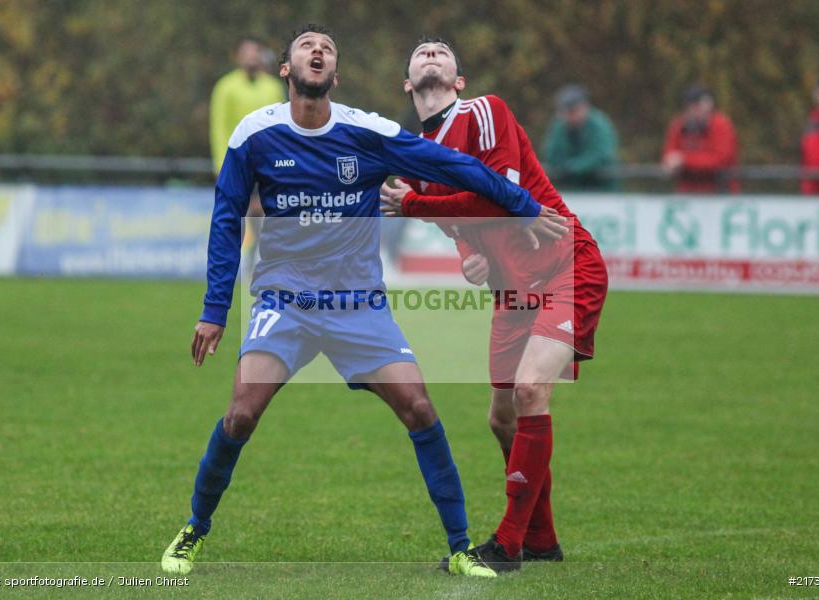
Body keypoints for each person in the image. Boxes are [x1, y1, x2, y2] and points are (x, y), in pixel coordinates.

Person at [161, 24, 568, 578]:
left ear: (335, 73)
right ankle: (194, 529)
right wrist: (214, 311)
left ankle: (460, 546)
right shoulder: (253, 135)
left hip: (358, 304)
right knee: (240, 414)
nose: (318, 50)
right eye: (307, 45)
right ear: (288, 69)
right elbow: (226, 219)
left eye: (327, 47)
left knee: (421, 408)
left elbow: (455, 167)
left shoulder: (366, 132)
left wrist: (519, 203)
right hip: (285, 301)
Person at [380, 37, 608, 572]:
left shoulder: (486, 110)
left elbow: (497, 195)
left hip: (565, 265)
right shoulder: (415, 161)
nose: (431, 51)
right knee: (502, 419)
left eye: (442, 50)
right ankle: (543, 540)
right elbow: (461, 225)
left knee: (531, 390)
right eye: (421, 52)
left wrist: (412, 205)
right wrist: (469, 255)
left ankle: (507, 544)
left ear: (459, 81)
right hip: (512, 288)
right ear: (408, 84)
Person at [210, 36, 286, 175]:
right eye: (246, 52)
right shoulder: (225, 87)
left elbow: (281, 126)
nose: (251, 56)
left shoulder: (273, 87)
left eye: (255, 52)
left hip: (268, 162)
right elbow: (219, 127)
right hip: (236, 160)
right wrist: (221, 163)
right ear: (238, 56)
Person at [540, 84, 619, 191]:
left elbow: (601, 156)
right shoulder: (559, 125)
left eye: (573, 111)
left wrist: (573, 168)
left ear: (584, 107)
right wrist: (561, 167)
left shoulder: (599, 124)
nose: (569, 116)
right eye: (565, 112)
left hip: (601, 189)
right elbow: (551, 153)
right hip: (570, 189)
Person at [662, 85, 739, 193]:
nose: (699, 111)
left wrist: (685, 160)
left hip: (719, 193)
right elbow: (670, 156)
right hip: (687, 193)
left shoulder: (721, 125)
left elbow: (720, 160)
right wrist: (671, 163)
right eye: (694, 107)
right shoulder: (679, 125)